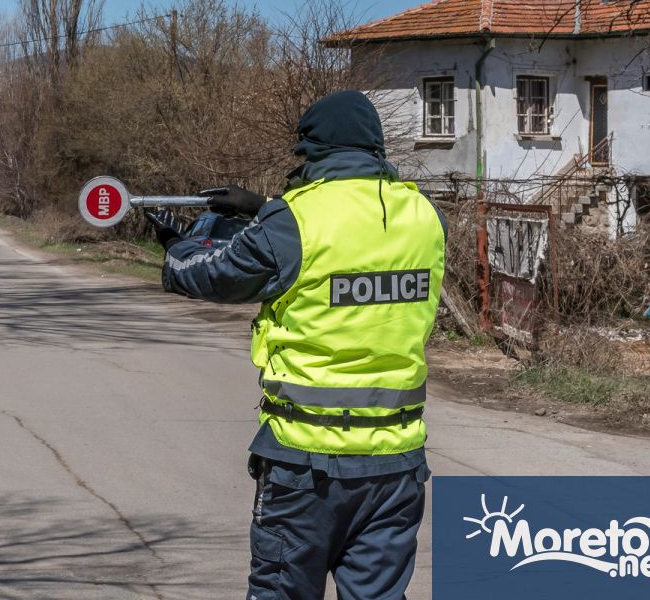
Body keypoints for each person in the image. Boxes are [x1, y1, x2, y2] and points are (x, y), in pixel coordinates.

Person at [145, 91, 446, 600]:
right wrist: (260, 209)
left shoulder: (294, 221)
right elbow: (352, 241)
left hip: (306, 466)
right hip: (397, 465)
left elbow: (215, 275)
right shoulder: (422, 214)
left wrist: (176, 248)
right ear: (375, 148)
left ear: (311, 151)